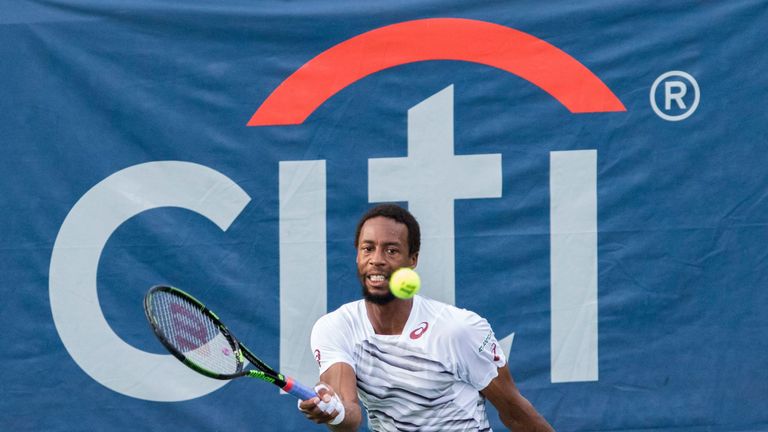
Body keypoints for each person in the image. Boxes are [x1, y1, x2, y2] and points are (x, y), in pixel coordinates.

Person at [298, 203, 554, 431]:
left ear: (413, 260)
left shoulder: (458, 330)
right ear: (357, 256)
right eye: (368, 248)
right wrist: (333, 410)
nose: (376, 260)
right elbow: (349, 414)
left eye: (391, 251)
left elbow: (517, 415)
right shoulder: (336, 328)